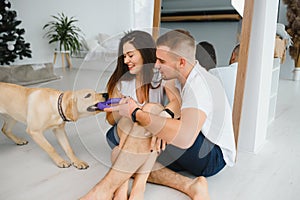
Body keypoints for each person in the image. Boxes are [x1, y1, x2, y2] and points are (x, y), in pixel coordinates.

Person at [82, 29, 236, 200]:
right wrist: (161, 118)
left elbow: (186, 137)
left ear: (181, 62)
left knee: (144, 118)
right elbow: (174, 104)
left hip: (211, 156)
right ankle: (189, 186)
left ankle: (104, 190)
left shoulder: (200, 86)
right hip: (190, 147)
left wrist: (140, 114)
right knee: (119, 150)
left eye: (161, 60)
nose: (155, 64)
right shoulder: (175, 76)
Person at [81, 30, 181, 200]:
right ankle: (135, 191)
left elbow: (176, 103)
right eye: (124, 56)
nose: (126, 60)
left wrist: (162, 115)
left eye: (130, 55)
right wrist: (121, 110)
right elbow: (110, 121)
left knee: (149, 112)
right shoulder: (121, 82)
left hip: (152, 139)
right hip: (123, 133)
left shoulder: (161, 75)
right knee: (134, 118)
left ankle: (124, 190)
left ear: (144, 52)